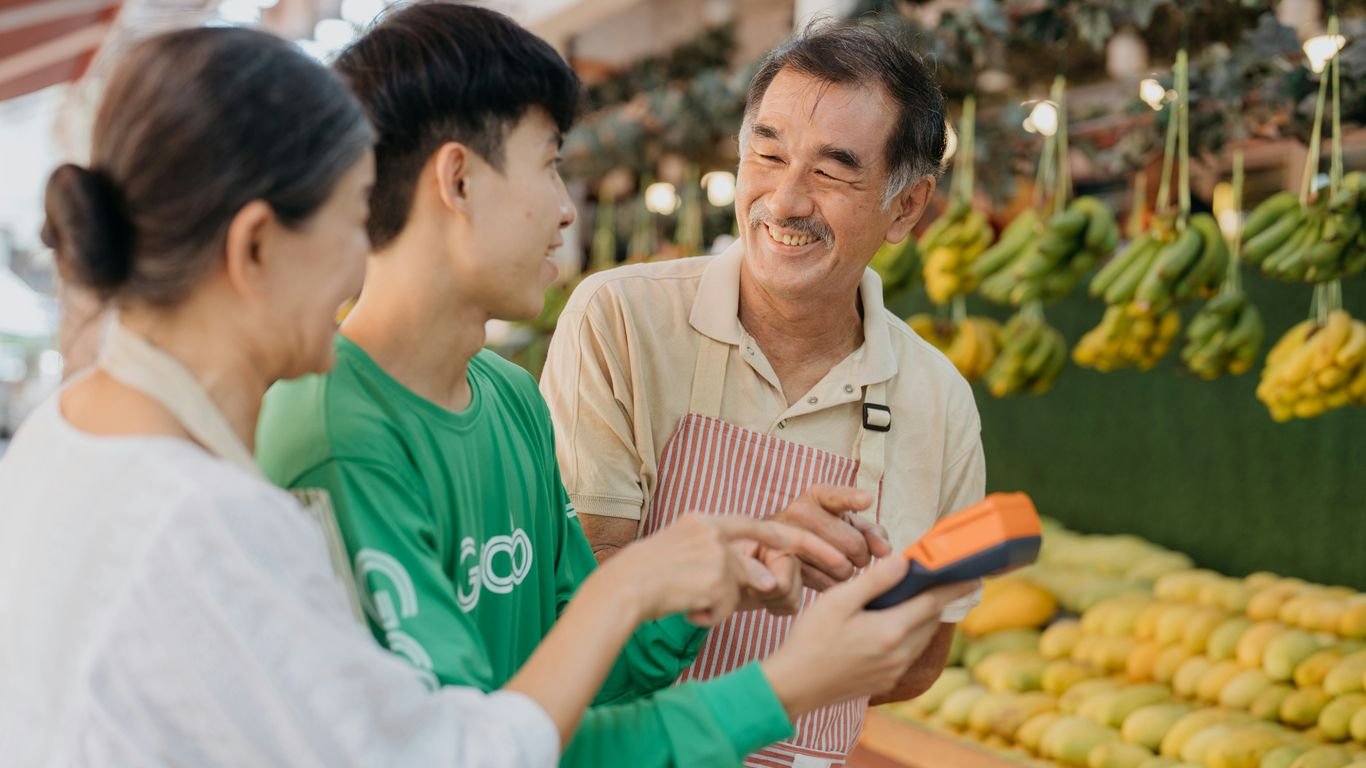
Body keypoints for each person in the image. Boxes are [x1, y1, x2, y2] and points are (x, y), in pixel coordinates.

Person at [0, 26, 846, 767]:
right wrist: (773, 672)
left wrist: (684, 584)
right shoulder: (210, 519)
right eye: (352, 216)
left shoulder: (67, 441)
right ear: (257, 245)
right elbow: (450, 753)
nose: (358, 256)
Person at [255, 5, 973, 767]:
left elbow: (581, 677)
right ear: (458, 180)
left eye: (831, 170)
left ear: (907, 207)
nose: (568, 210)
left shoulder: (508, 400)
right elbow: (478, 751)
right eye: (548, 163)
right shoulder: (334, 440)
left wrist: (724, 571)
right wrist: (783, 685)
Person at [540, 20, 987, 767]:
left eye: (834, 170)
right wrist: (760, 571)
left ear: (907, 208)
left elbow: (919, 660)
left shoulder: (941, 400)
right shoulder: (621, 318)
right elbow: (584, 595)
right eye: (768, 153)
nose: (785, 200)